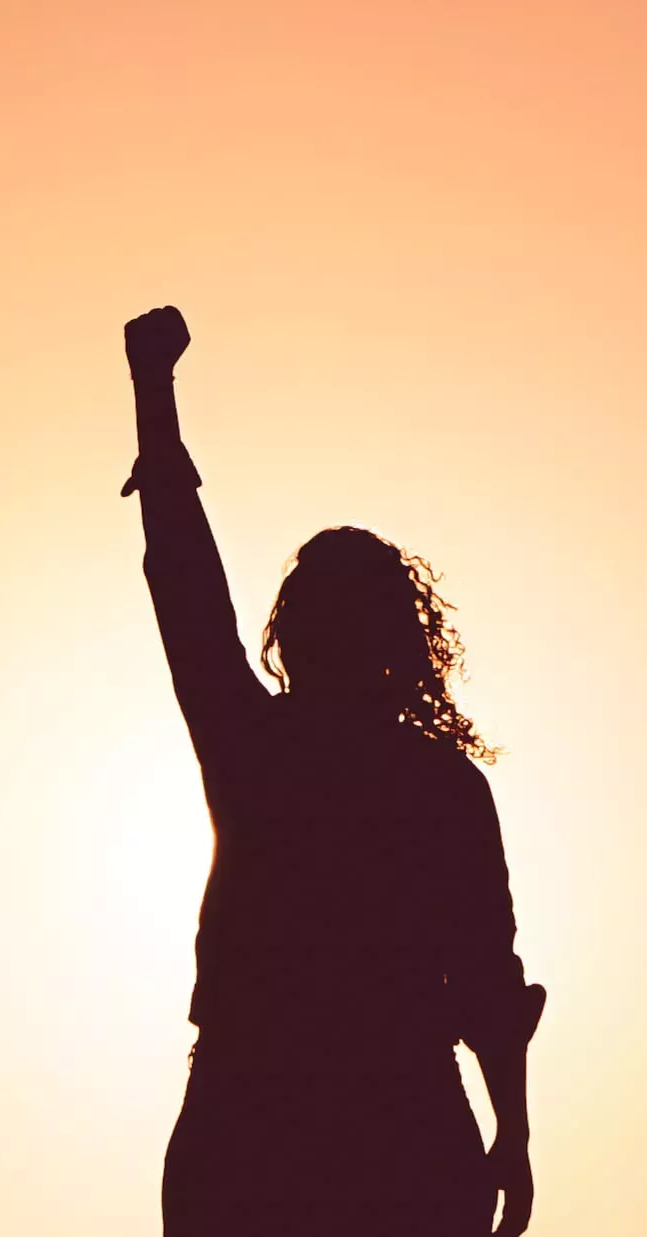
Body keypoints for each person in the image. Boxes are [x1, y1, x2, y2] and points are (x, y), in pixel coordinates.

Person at [120, 304, 544, 1237]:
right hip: (308, 1119)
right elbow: (183, 579)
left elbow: (485, 978)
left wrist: (511, 1131)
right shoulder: (395, 777)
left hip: (343, 1123)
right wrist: (511, 1131)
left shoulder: (289, 755)